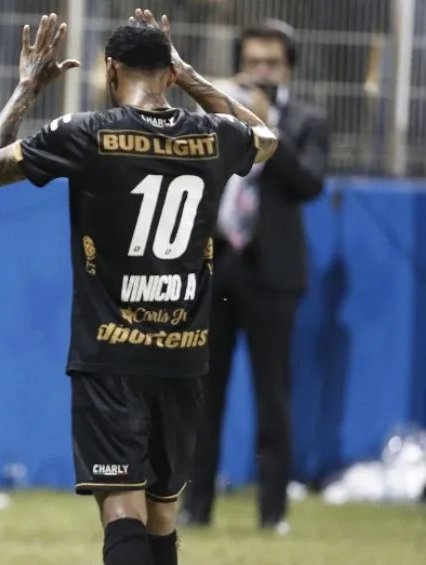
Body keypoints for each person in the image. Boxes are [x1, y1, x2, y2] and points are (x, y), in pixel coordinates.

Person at [0, 10, 277, 565]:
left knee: (123, 512)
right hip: (184, 356)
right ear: (168, 71)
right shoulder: (211, 135)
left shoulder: (88, 132)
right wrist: (193, 78)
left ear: (111, 70)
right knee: (162, 515)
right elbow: (268, 139)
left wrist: (25, 89)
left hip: (110, 356)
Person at [180, 20, 329, 535]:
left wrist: (271, 130)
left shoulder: (308, 119)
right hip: (216, 265)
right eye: (254, 61)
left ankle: (273, 513)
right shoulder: (216, 118)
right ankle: (195, 509)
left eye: (272, 63)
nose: (262, 71)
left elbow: (310, 183)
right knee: (203, 392)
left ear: (287, 67)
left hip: (274, 274)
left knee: (273, 396)